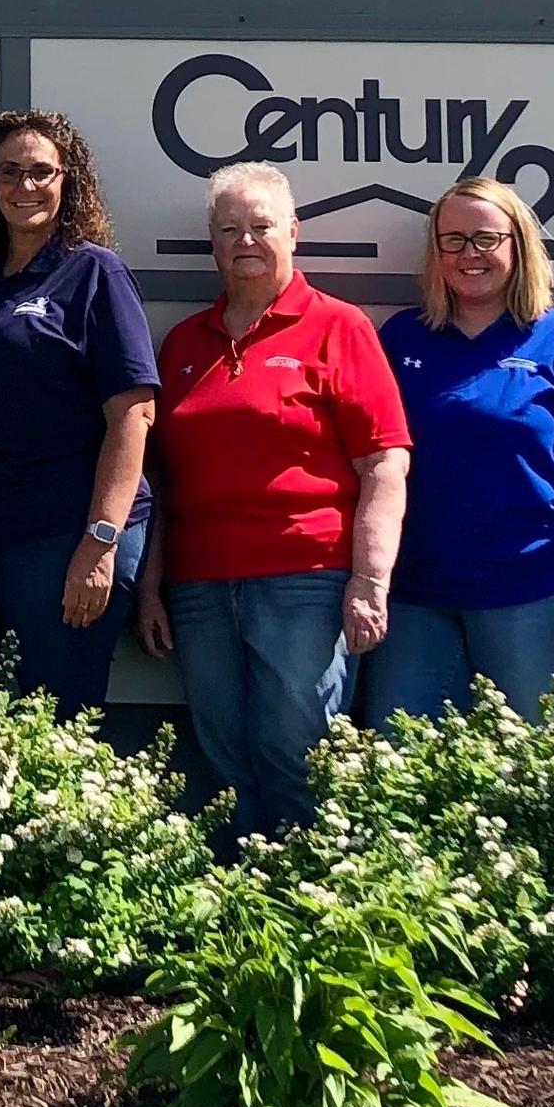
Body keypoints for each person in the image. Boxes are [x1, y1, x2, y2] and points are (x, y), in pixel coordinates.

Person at [133, 160, 411, 839]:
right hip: (199, 588)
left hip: (304, 580)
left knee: (299, 754)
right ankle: (240, 914)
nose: (246, 241)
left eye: (261, 226)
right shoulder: (182, 344)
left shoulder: (338, 328)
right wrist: (151, 587)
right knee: (225, 758)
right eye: (229, 229)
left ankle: (311, 903)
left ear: (294, 232)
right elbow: (164, 481)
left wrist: (371, 581)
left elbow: (384, 464)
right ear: (213, 242)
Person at [0, 109, 157, 714]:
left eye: (41, 172)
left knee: (57, 721)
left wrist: (100, 543)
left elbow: (133, 415)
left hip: (64, 534)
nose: (25, 186)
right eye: (10, 172)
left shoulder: (95, 273)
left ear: (68, 182)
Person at [361, 175, 554, 724]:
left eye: (487, 239)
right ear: (436, 252)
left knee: (546, 767)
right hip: (417, 594)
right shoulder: (401, 339)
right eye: (455, 240)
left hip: (531, 592)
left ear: (517, 244)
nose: (471, 254)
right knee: (394, 766)